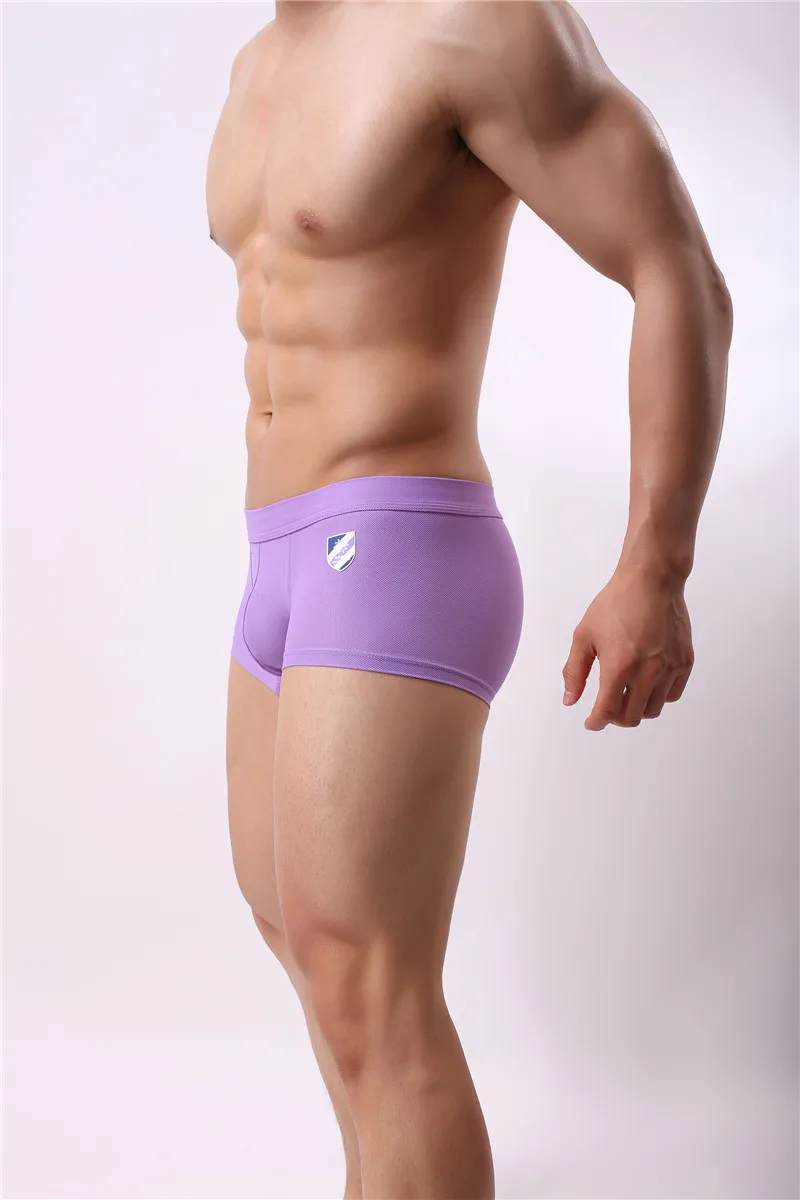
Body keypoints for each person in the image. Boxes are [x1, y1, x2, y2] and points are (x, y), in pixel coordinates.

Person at [205, 1, 732, 1195]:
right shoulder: (254, 65)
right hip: (274, 555)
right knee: (311, 960)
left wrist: (654, 562)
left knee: (371, 993)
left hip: (396, 543)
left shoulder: (467, 22)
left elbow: (673, 267)